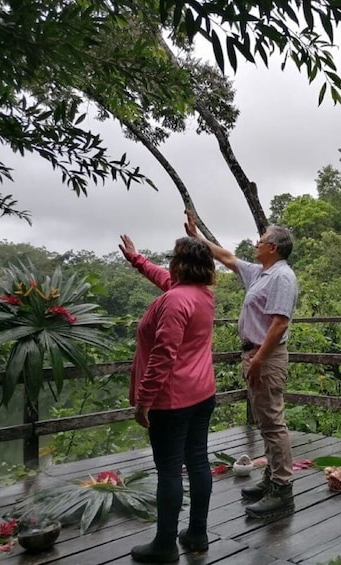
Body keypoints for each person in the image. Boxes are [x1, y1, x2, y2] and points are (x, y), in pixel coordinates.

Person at [184, 211, 299, 520]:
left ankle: (283, 490)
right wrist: (198, 237)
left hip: (267, 357)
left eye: (260, 241)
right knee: (265, 421)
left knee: (273, 422)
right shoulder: (261, 273)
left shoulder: (282, 277)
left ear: (273, 247)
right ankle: (272, 478)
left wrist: (259, 360)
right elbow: (228, 257)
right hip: (255, 355)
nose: (255, 244)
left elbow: (278, 324)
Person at [119, 235, 217, 563]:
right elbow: (167, 281)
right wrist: (137, 259)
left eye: (173, 258)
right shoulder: (202, 294)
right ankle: (197, 534)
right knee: (199, 461)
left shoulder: (175, 301)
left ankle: (164, 544)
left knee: (170, 471)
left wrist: (144, 400)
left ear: (180, 264)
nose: (169, 264)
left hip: (172, 401)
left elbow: (164, 354)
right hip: (202, 394)